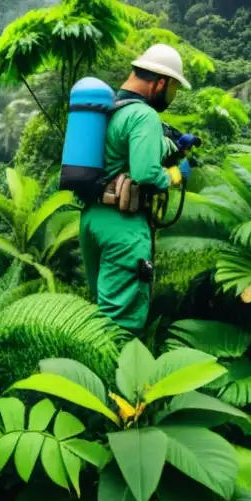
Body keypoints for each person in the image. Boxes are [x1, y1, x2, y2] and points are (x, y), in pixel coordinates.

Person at [79, 44, 193, 334]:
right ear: (161, 82)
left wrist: (172, 145)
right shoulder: (143, 116)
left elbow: (123, 153)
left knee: (102, 312)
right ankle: (116, 378)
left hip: (93, 219)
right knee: (121, 324)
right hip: (123, 227)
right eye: (173, 89)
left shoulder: (110, 110)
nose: (172, 96)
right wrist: (176, 175)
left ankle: (91, 372)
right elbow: (145, 173)